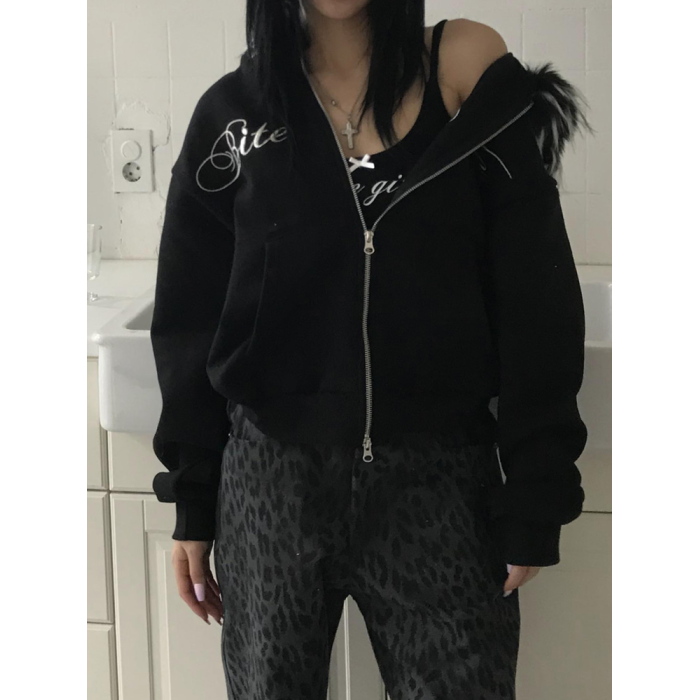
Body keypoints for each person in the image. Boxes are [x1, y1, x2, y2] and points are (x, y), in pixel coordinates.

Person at [150, 1, 593, 697]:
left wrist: (537, 488)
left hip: (441, 482)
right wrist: (193, 500)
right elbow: (190, 316)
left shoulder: (465, 71)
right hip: (273, 486)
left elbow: (536, 299)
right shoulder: (234, 116)